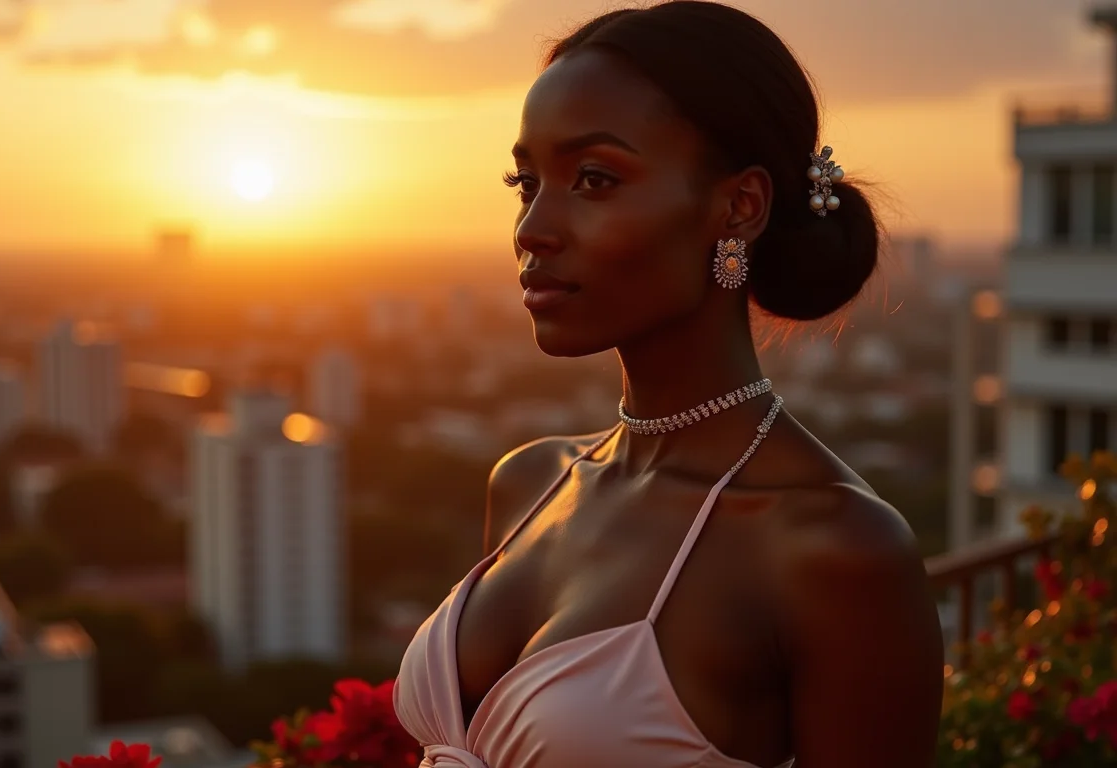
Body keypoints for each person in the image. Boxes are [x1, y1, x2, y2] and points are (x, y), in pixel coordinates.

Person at [393, 2, 944, 766]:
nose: (531, 230)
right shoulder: (528, 484)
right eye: (526, 183)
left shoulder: (835, 549)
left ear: (738, 207)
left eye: (592, 178)